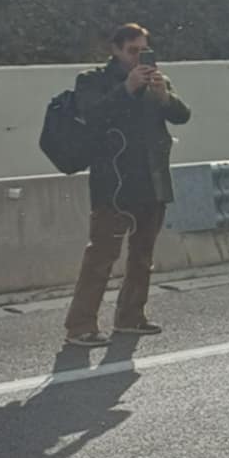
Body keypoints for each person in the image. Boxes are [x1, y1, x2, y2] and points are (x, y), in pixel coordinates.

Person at [64, 24, 192, 347]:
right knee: (101, 256)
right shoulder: (92, 79)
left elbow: (182, 115)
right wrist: (126, 88)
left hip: (152, 178)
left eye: (143, 50)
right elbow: (92, 114)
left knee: (142, 255)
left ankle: (131, 315)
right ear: (116, 50)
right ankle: (80, 325)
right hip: (114, 183)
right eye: (133, 51)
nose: (139, 58)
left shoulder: (155, 79)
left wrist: (165, 96)